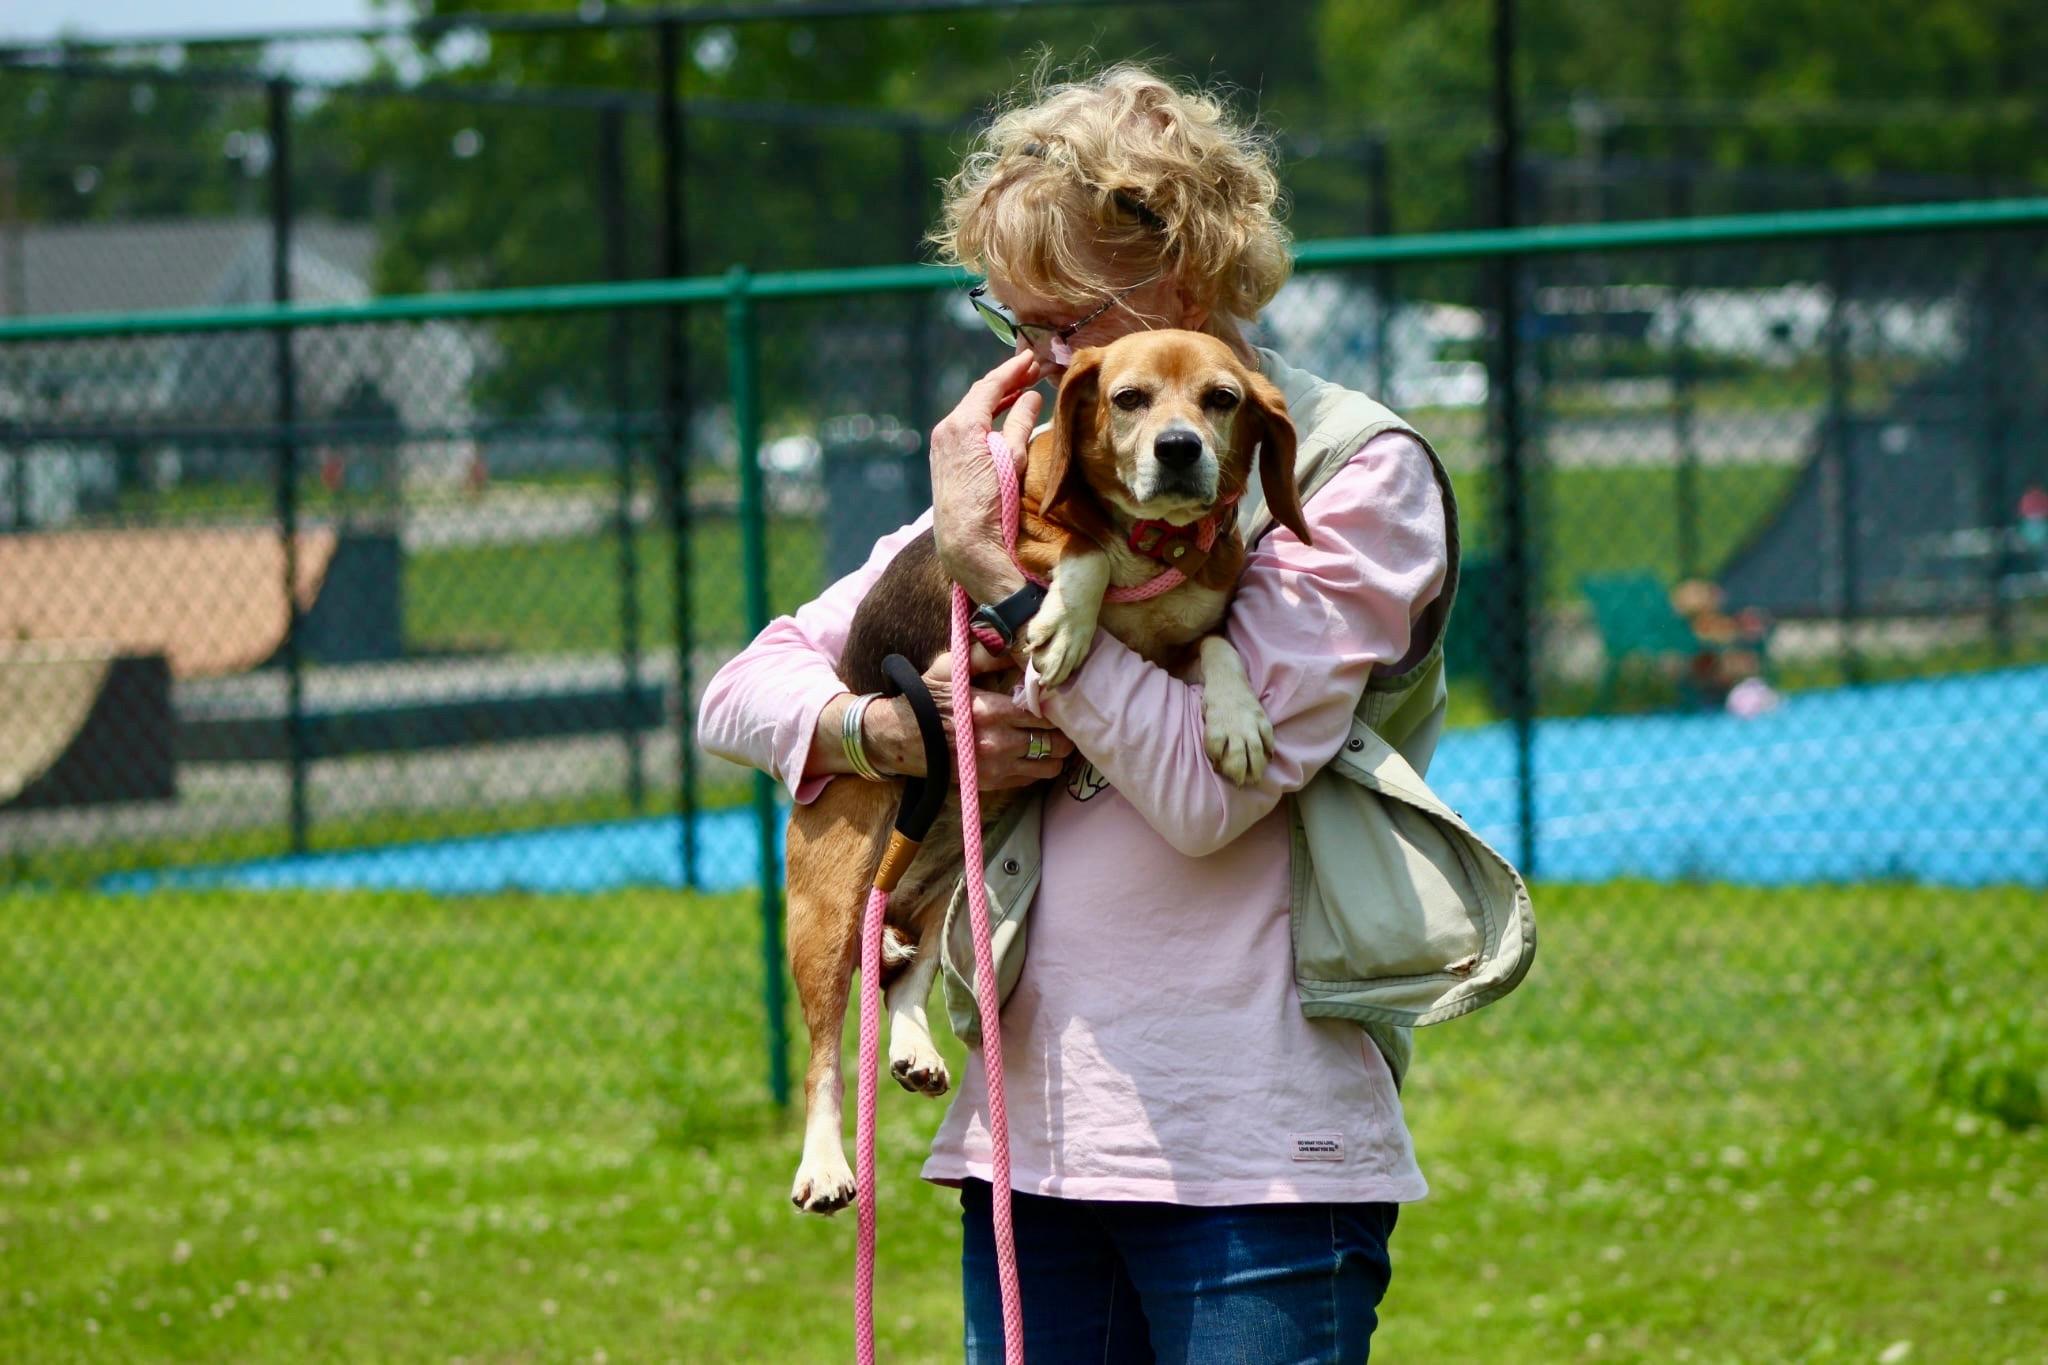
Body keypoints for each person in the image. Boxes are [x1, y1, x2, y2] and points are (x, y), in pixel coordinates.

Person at [700, 64, 1456, 1362]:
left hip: (1261, 1158)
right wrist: (889, 734)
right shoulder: (1048, 457)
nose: (1035, 354)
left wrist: (996, 584)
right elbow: (745, 684)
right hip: (1027, 1138)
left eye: (1068, 313)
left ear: (1193, 278)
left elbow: (1208, 794)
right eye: (1017, 313)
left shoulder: (1348, 467)